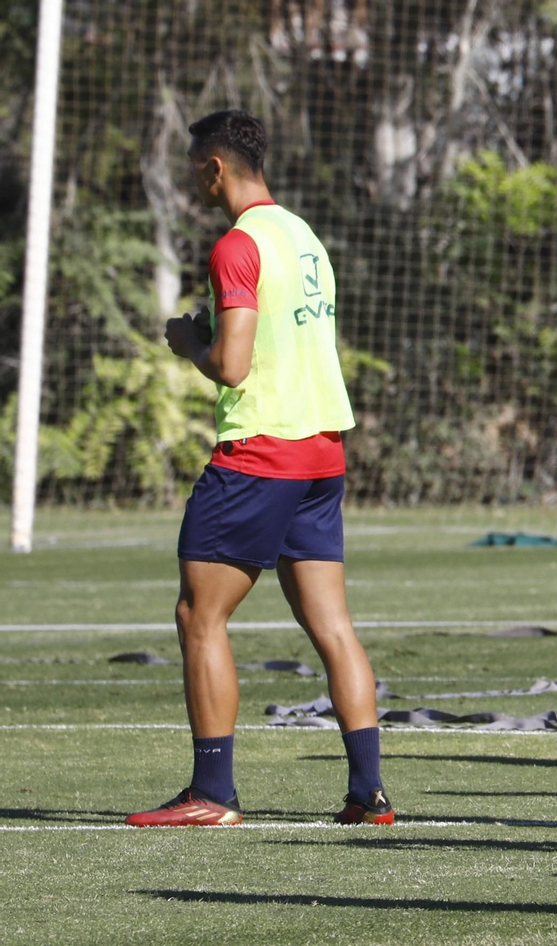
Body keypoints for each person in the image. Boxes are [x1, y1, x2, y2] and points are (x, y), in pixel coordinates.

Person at [130, 110, 390, 828]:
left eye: (195, 170)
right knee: (333, 627)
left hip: (261, 453)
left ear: (215, 168)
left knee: (198, 614)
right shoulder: (303, 236)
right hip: (321, 453)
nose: (195, 184)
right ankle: (368, 793)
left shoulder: (238, 246)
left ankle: (212, 794)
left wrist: (190, 342)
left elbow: (234, 365)